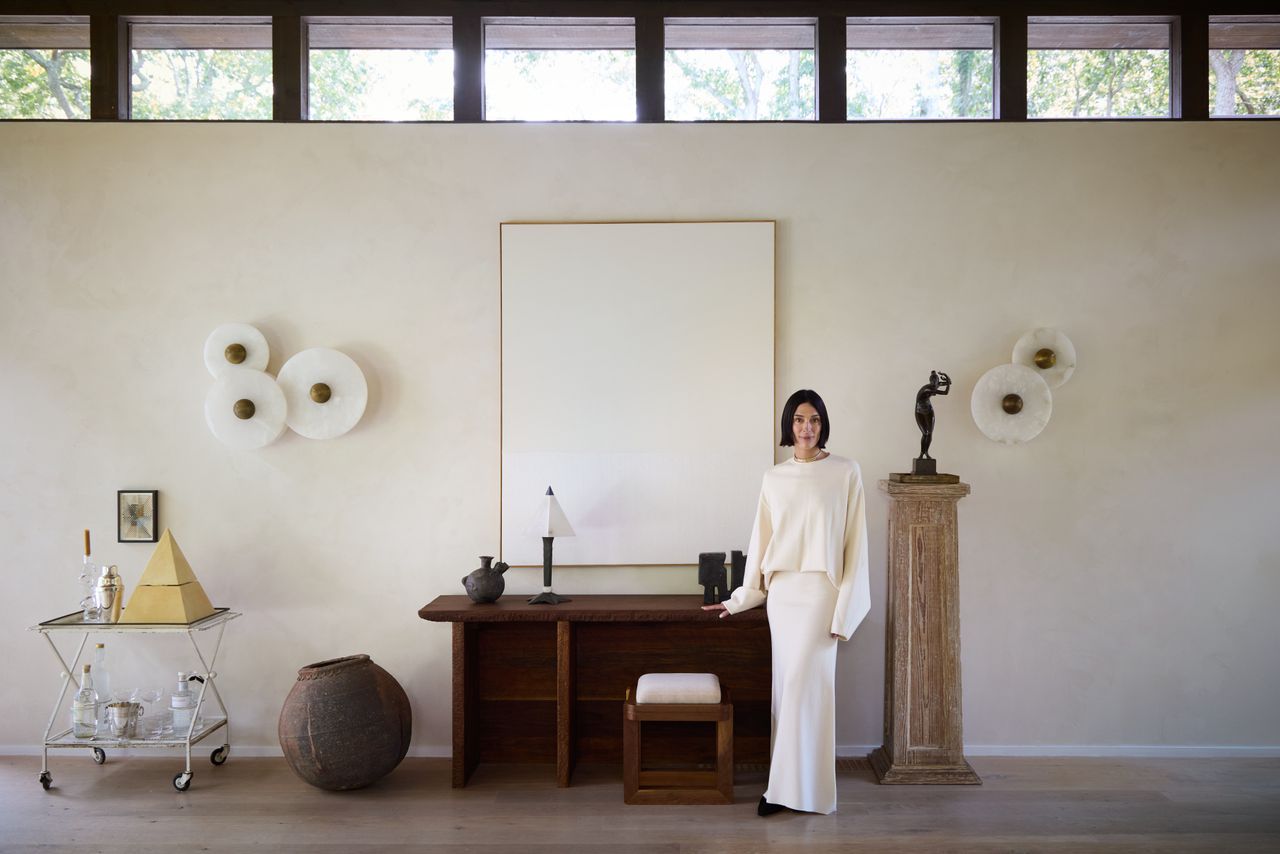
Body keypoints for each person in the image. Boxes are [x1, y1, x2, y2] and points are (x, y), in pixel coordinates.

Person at [702, 389, 870, 816]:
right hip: (784, 597)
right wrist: (740, 599)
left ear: (823, 423)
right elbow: (760, 543)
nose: (806, 428)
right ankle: (784, 788)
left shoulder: (846, 472)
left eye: (814, 420)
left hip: (822, 595)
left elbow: (856, 546)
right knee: (786, 693)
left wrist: (845, 610)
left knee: (806, 691)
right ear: (788, 425)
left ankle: (794, 793)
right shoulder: (773, 477)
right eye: (798, 420)